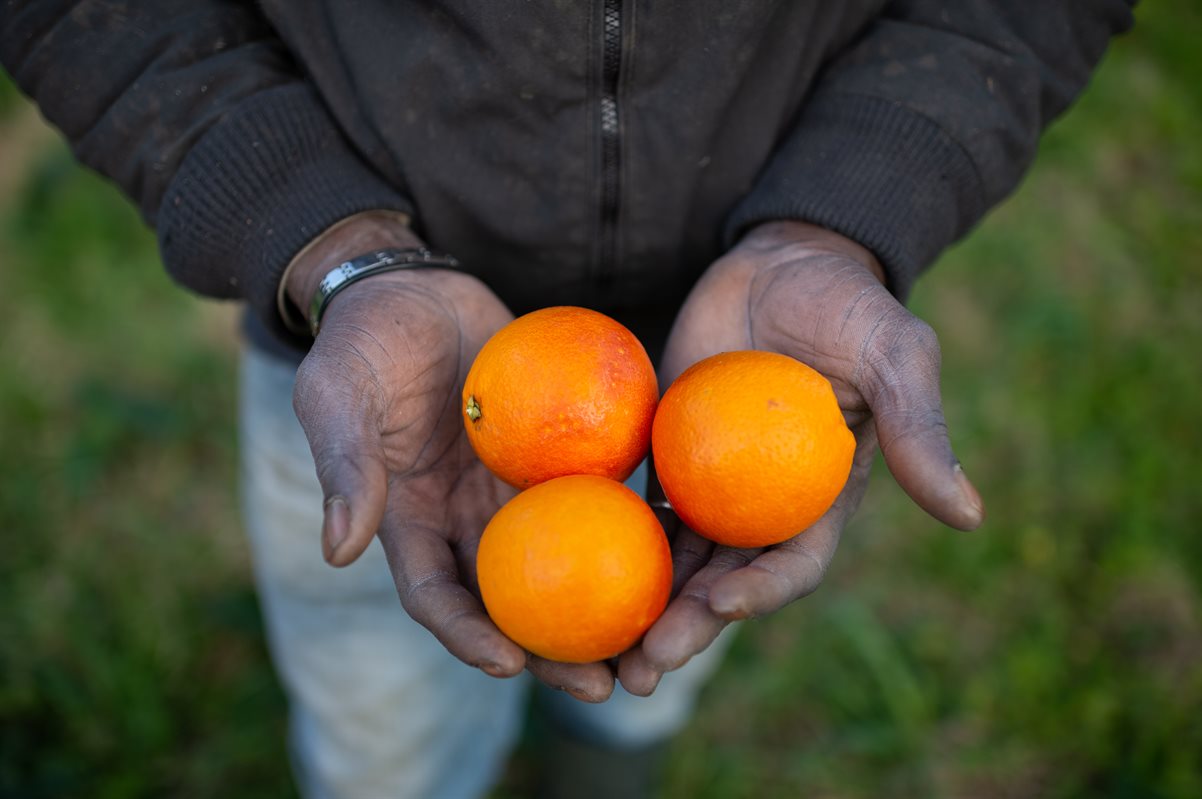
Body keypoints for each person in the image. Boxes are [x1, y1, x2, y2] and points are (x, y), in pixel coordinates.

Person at [1, 1, 1135, 796]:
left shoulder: (738, 407)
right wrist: (322, 240)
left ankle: (608, 767)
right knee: (378, 713)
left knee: (676, 612)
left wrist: (842, 208)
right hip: (379, 362)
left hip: (728, 338)